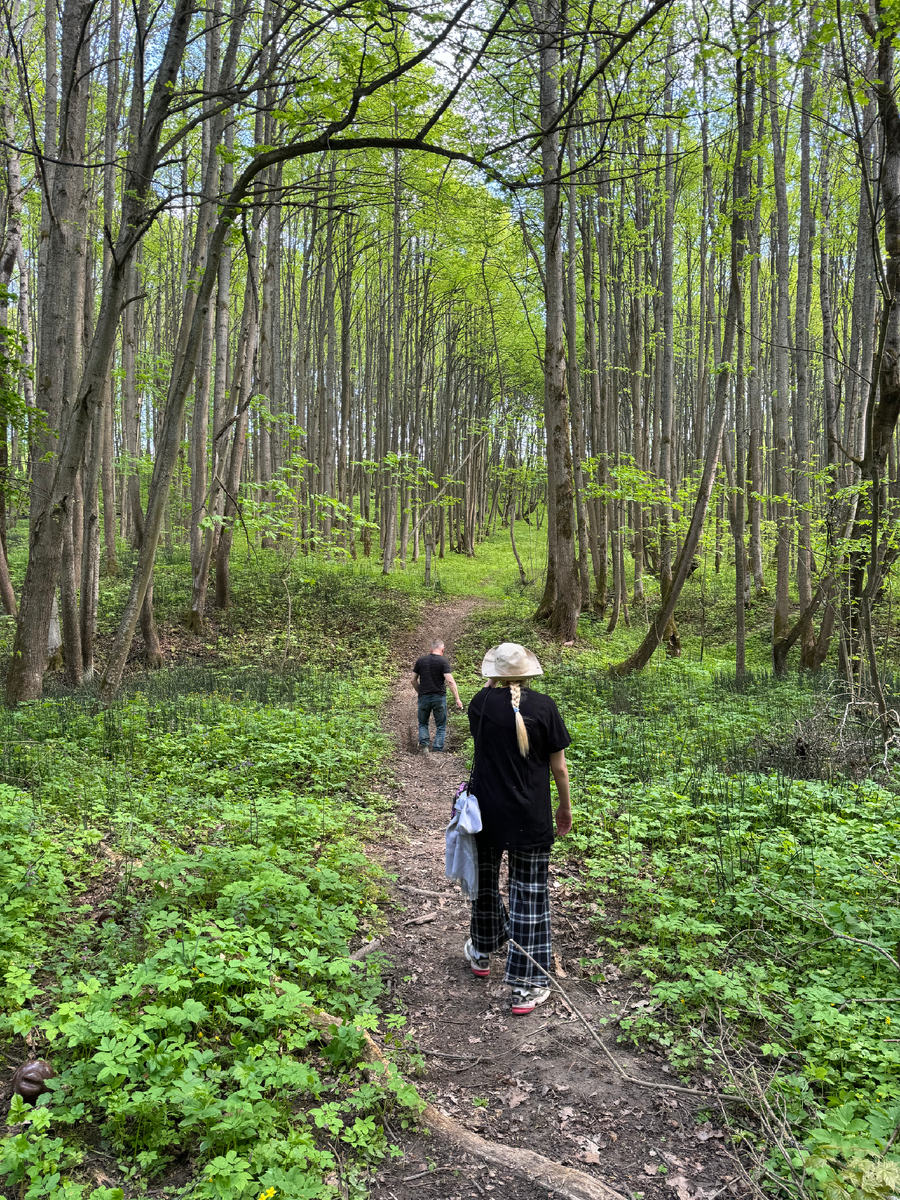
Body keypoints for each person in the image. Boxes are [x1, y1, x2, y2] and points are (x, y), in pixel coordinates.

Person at [462, 642, 572, 1015]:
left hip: (486, 813)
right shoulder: (544, 707)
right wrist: (565, 807)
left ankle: (480, 952)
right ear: (528, 673)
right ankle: (526, 986)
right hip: (531, 816)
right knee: (529, 897)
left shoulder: (479, 703)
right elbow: (558, 768)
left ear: (493, 673)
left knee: (486, 884)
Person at [413, 638, 463, 753]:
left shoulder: (421, 661)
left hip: (424, 697)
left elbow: (413, 680)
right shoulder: (443, 662)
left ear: (431, 649)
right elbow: (450, 681)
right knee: (440, 725)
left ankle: (424, 745)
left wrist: (420, 692)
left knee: (423, 722)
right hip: (439, 697)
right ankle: (437, 750)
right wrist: (457, 699)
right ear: (443, 649)